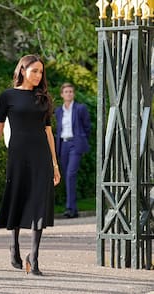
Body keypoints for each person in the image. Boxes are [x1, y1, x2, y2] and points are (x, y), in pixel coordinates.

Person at [0, 54, 61, 276]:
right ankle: (14, 246)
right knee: (17, 197)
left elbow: (48, 131)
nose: (38, 76)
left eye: (41, 72)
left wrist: (55, 164)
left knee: (39, 202)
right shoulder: (8, 96)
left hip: (41, 154)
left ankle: (35, 257)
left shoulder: (43, 98)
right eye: (34, 71)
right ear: (22, 70)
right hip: (18, 155)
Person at [54, 83, 91, 218]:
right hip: (63, 145)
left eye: (70, 91)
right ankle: (73, 209)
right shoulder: (58, 111)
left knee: (70, 174)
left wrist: (81, 141)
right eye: (66, 92)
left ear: (73, 94)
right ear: (62, 95)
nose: (68, 94)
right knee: (67, 176)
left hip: (75, 144)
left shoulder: (80, 109)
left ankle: (70, 208)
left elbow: (87, 127)